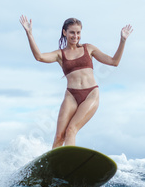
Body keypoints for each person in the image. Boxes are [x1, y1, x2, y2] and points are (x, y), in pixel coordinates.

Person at [20, 15, 133, 148]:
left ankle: (70, 164)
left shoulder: (88, 48)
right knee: (58, 137)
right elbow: (39, 57)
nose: (75, 36)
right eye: (72, 32)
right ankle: (54, 167)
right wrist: (29, 33)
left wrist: (123, 40)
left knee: (71, 130)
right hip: (71, 95)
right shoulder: (60, 54)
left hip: (90, 94)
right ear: (65, 32)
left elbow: (114, 62)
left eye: (78, 32)